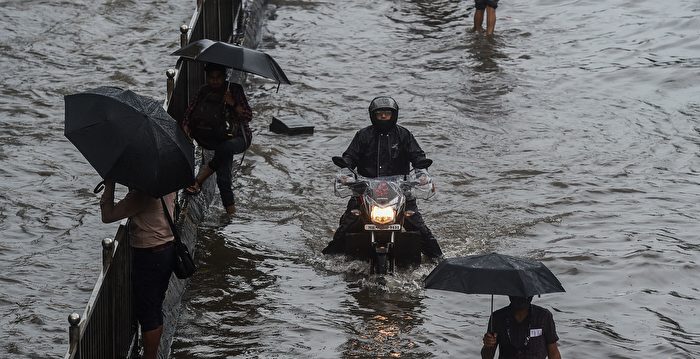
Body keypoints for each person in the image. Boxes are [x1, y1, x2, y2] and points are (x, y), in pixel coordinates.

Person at [321, 96, 443, 259]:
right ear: (373, 115)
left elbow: (417, 155)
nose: (384, 117)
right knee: (348, 224)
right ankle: (328, 259)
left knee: (419, 226)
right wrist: (345, 169)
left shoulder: (404, 135)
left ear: (394, 115)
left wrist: (421, 170)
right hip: (365, 190)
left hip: (400, 190)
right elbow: (350, 156)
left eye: (387, 114)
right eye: (380, 114)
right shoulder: (363, 135)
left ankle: (439, 259)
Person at [99, 180, 176, 359]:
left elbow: (107, 215)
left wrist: (109, 185)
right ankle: (153, 354)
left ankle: (150, 356)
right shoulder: (167, 185)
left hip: (149, 256)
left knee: (148, 312)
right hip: (166, 250)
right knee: (155, 307)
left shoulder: (141, 195)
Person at [180, 62, 252, 215]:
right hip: (217, 139)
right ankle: (231, 215)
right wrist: (186, 127)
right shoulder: (203, 91)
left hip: (238, 137)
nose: (214, 81)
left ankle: (200, 179)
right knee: (223, 179)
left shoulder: (234, 89)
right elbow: (189, 112)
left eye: (218, 78)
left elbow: (247, 115)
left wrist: (233, 103)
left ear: (224, 77)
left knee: (224, 156)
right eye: (211, 78)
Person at [481, 296, 562, 359]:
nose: (520, 296)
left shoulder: (544, 316)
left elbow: (554, 354)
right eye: (516, 292)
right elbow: (486, 357)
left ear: (532, 295)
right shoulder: (497, 317)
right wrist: (487, 345)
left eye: (524, 294)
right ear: (509, 293)